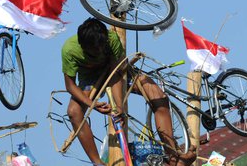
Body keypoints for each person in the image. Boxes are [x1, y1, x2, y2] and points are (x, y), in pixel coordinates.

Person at [62, 18, 196, 166]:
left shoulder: (111, 39)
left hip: (118, 72)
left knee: (158, 95)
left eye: (102, 47)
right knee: (74, 111)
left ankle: (172, 156)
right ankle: (98, 163)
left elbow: (116, 74)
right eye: (94, 51)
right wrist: (92, 104)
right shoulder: (70, 50)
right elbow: (70, 86)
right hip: (91, 78)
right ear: (83, 46)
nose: (100, 51)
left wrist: (119, 106)